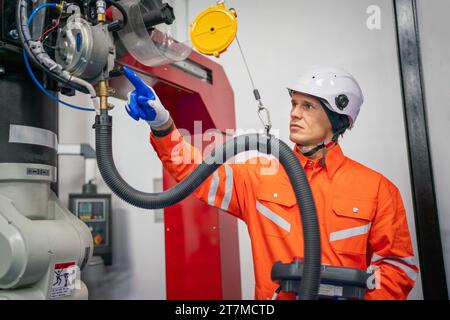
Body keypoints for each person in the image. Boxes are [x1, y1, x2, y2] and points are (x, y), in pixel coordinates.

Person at [124, 65, 418, 300]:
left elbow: (398, 268)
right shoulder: (259, 176)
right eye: (294, 104)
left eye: (308, 106)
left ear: (338, 117)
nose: (294, 113)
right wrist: (163, 124)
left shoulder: (378, 189)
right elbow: (196, 174)